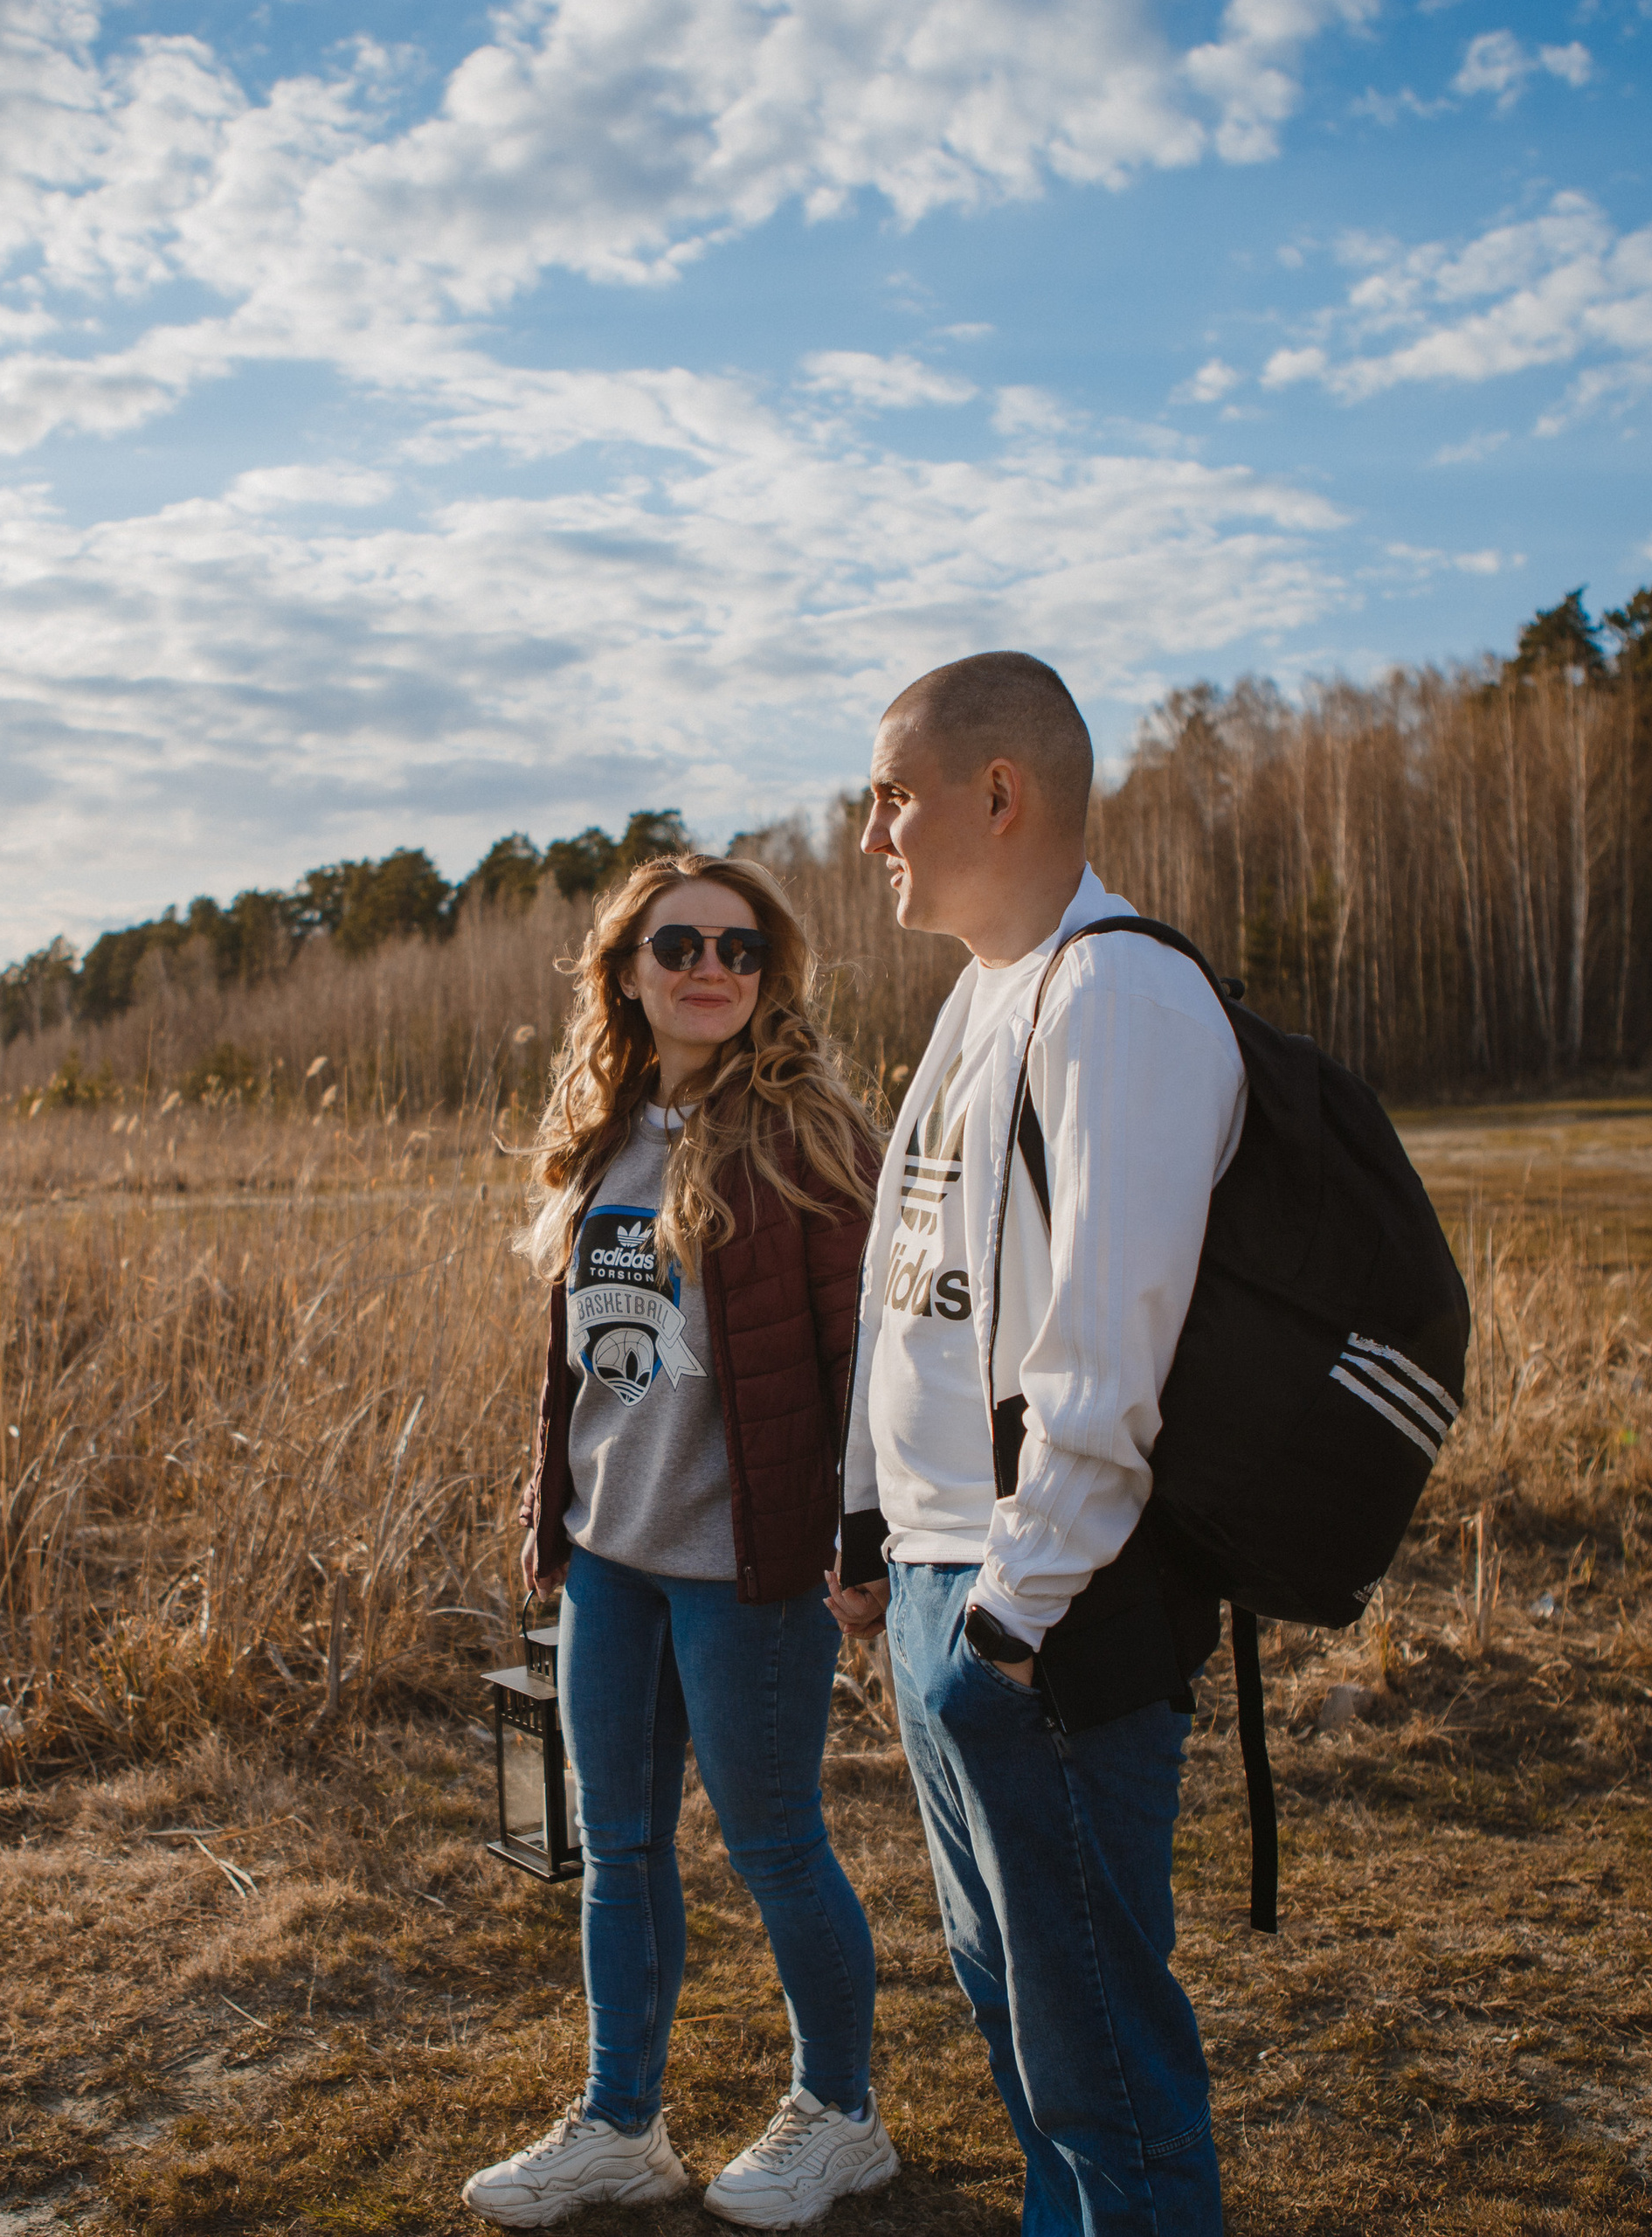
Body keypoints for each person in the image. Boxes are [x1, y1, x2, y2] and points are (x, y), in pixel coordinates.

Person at [825, 652, 1243, 2236]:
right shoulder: (984, 992)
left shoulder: (1116, 995)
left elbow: (1105, 1356)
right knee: (1021, 2037)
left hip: (1046, 1614)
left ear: (997, 794)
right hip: (948, 1589)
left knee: (1104, 2075)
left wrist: (1002, 1625)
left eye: (892, 795)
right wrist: (872, 1533)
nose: (873, 833)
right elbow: (910, 1288)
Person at [465, 852, 899, 2232]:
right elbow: (586, 1362)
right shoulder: (602, 1132)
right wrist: (553, 1513)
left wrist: (863, 1539)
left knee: (774, 1845)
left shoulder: (811, 1135)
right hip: (612, 1562)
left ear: (770, 976)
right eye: (679, 946)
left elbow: (867, 1361)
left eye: (741, 948)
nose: (711, 967)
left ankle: (842, 2118)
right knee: (621, 1848)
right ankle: (619, 2126)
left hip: (748, 1569)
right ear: (628, 974)